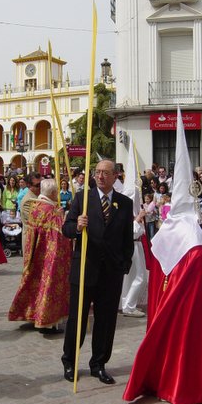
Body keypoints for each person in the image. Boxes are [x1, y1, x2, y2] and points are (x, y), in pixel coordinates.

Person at [123, 107, 202, 404]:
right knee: (188, 343)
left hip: (169, 310)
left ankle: (163, 379)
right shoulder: (201, 246)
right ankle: (183, 385)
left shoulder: (166, 237)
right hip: (190, 314)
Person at [61, 160, 133, 384]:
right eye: (97, 172)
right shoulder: (83, 199)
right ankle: (70, 361)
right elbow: (67, 229)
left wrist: (124, 264)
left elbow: (126, 238)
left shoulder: (124, 203)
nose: (100, 176)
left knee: (106, 320)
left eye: (105, 173)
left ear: (115, 176)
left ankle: (99, 363)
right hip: (85, 268)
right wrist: (77, 226)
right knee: (77, 319)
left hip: (111, 273)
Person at [8, 179, 72, 333]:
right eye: (56, 191)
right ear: (53, 193)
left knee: (34, 284)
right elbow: (58, 238)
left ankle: (32, 314)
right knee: (47, 287)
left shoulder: (36, 206)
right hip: (49, 257)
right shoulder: (52, 211)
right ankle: (47, 322)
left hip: (34, 254)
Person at [20, 172, 41, 254]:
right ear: (29, 185)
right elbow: (36, 221)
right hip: (32, 241)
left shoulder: (39, 196)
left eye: (41, 185)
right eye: (37, 185)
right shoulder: (27, 201)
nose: (40, 188)